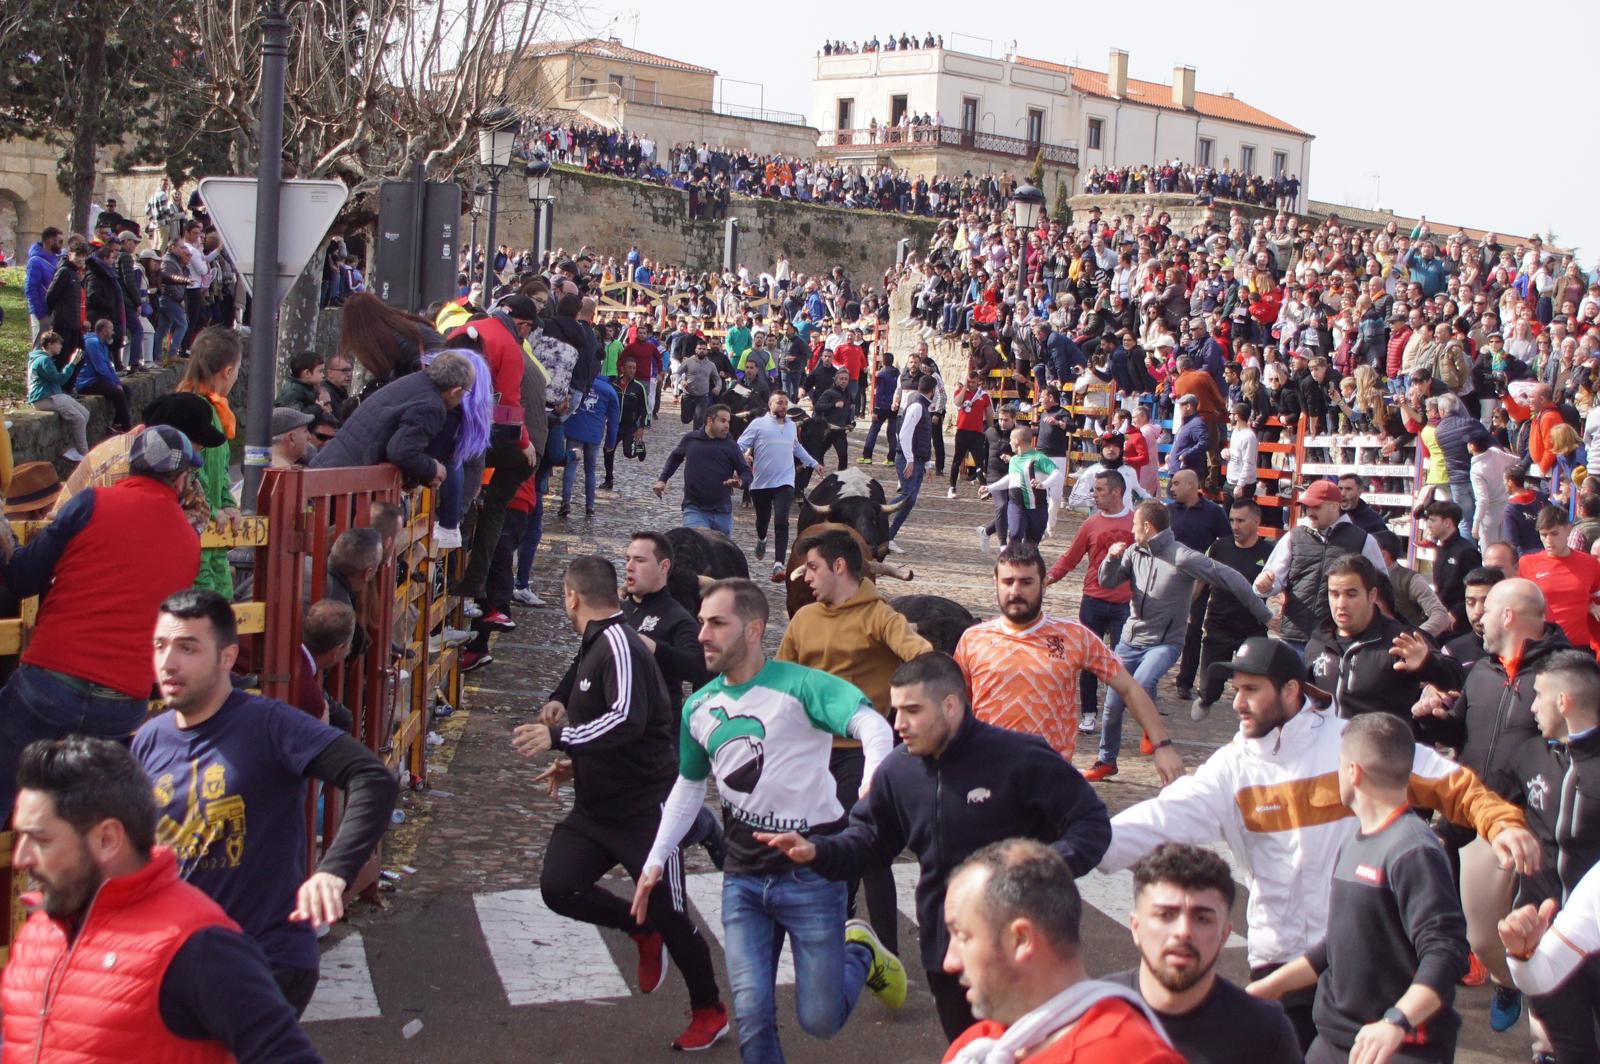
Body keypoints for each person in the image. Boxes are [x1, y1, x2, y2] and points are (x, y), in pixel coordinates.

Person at [1102, 637, 1537, 1051]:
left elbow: (1452, 784)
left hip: (1361, 958)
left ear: (1291, 690)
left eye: (1251, 690)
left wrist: (1502, 825)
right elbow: (1159, 820)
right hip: (1280, 959)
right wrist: (1083, 848)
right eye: (1236, 690)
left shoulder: (1353, 746)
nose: (1237, 703)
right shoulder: (1230, 768)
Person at [759, 652, 1111, 1041]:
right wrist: (818, 851)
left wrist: (1040, 871)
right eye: (895, 712)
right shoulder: (898, 771)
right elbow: (870, 841)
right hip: (948, 952)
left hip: (1026, 948)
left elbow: (1090, 822)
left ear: (950, 705)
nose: (899, 725)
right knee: (969, 1051)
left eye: (912, 710)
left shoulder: (1021, 757)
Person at [631, 579, 906, 1063]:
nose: (702, 636)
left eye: (717, 623)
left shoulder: (800, 686)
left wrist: (873, 777)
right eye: (700, 623)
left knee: (819, 1019)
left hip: (813, 877)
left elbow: (872, 724)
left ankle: (859, 950)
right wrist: (656, 858)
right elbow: (690, 786)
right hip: (743, 879)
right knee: (754, 1016)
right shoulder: (699, 708)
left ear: (754, 629)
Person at [131, 588, 398, 1015]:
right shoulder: (149, 739)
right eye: (160, 646)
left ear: (226, 657)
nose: (168, 662)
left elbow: (371, 777)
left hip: (263, 961)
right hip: (179, 961)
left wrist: (333, 872)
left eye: (187, 648)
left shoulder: (270, 724)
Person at [511, 557, 729, 1052]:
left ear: (572, 596)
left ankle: (710, 1010)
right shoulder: (596, 643)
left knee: (674, 913)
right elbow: (612, 728)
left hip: (646, 811)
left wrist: (559, 738)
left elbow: (627, 720)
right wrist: (575, 764)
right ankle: (638, 928)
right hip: (596, 809)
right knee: (559, 886)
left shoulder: (619, 643)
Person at [3, 737, 322, 1062]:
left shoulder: (197, 944)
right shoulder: (39, 931)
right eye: (20, 837)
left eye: (40, 839)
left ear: (107, 839)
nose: (20, 857)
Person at [0, 425, 202, 821]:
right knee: (82, 821)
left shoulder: (90, 503)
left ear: (131, 465)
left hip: (50, 683)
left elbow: (23, 578)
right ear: (180, 479)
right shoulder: (189, 541)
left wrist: (10, 540)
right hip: (121, 703)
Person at [1246, 714, 1470, 1064]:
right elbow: (1336, 944)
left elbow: (1446, 952)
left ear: (1353, 771)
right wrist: (1271, 987)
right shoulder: (1353, 839)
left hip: (1397, 1049)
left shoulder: (1414, 850)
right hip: (1333, 1042)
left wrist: (1396, 1021)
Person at [779, 527, 933, 954]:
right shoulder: (804, 619)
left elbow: (922, 658)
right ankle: (836, 935)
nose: (804, 576)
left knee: (868, 852)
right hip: (810, 757)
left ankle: (887, 954)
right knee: (821, 849)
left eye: (812, 567)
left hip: (862, 757)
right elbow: (780, 680)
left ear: (839, 566)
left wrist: (900, 712)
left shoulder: (879, 616)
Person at [940, 839, 1183, 1063]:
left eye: (962, 936)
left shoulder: (1130, 1055)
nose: (949, 962)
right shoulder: (975, 1046)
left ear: (1021, 939)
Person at [956, 543, 1183, 781]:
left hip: (1050, 780)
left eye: (1026, 582)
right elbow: (957, 707)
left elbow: (1129, 687)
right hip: (986, 777)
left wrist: (1162, 744)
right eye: (1007, 581)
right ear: (996, 583)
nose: (1015, 591)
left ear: (1044, 584)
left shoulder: (1074, 636)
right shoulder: (973, 640)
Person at [1090, 500, 1272, 781]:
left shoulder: (1183, 557)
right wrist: (1111, 558)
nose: (1131, 530)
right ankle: (1106, 760)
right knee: (1113, 702)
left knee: (1141, 682)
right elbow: (1107, 582)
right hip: (1129, 640)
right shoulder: (1133, 551)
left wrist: (1264, 613)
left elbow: (1231, 577)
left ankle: (1153, 730)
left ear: (1148, 527)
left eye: (1135, 525)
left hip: (1164, 642)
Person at [1106, 844, 1302, 1064]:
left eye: (1202, 919)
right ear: (1136, 927)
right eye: (1166, 915)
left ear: (1224, 935)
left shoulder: (1265, 1032)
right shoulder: (1089, 1015)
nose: (1183, 932)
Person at [1501, 649, 1600, 1062]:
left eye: (1539, 695)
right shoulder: (1529, 755)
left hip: (1592, 935)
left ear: (1564, 702)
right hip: (1539, 932)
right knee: (1560, 1046)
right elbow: (1489, 803)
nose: (1532, 706)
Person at [1304, 554, 1464, 742]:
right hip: (1327, 757)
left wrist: (1427, 664)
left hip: (1383, 759)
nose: (1341, 604)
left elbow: (1458, 679)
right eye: (1334, 594)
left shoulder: (1401, 639)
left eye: (1351, 594)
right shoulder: (1318, 640)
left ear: (1372, 595)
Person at [1046, 469, 1135, 736]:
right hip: (1093, 601)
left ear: (1117, 492)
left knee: (1121, 662)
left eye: (1099, 490)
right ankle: (1088, 712)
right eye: (1093, 490)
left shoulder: (1135, 523)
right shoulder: (1090, 524)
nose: (1093, 495)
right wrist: (1049, 577)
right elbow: (1070, 558)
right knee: (1088, 661)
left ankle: (1114, 712)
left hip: (1125, 605)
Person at [1254, 480, 1387, 655]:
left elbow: (1382, 588)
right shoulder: (1293, 536)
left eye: (1315, 507)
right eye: (1307, 507)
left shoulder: (1363, 540)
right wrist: (1264, 584)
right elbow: (1271, 579)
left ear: (1334, 506)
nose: (1309, 512)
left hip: (1336, 641)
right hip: (1294, 637)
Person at [311, 351, 469, 488]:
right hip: (341, 482)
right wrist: (433, 468)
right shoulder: (432, 406)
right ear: (456, 391)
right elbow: (402, 451)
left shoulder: (415, 382)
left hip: (328, 469)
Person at [1189, 498, 1275, 721]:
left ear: (1256, 521)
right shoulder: (1219, 547)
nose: (1235, 526)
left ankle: (1256, 717)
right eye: (1232, 520)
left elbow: (1282, 584)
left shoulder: (1268, 552)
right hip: (1218, 625)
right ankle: (1207, 698)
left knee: (1258, 678)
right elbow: (1200, 580)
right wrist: (1187, 608)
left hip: (1252, 628)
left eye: (1241, 521)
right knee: (1210, 688)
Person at [175, 328, 244, 599]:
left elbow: (222, 470)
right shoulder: (190, 410)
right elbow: (190, 470)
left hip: (213, 530)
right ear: (227, 371)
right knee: (202, 603)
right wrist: (212, 509)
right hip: (194, 528)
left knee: (221, 599)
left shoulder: (217, 411)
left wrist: (227, 502)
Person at [738, 391, 822, 578]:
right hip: (761, 484)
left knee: (782, 520)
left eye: (785, 403)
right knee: (763, 520)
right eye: (779, 403)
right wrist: (743, 456)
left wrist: (813, 463)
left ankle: (778, 564)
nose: (783, 406)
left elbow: (796, 447)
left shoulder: (792, 426)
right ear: (770, 405)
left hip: (785, 481)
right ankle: (762, 539)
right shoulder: (758, 425)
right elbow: (740, 444)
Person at [654, 404, 751, 534]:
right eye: (722, 421)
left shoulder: (731, 446)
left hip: (722, 510)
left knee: (720, 553)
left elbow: (746, 472)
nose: (727, 425)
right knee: (698, 546)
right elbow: (675, 458)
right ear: (710, 421)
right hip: (694, 508)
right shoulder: (691, 439)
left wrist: (740, 483)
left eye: (728, 421)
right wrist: (663, 479)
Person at [1517, 505, 1600, 654]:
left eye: (1554, 533)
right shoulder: (1527, 563)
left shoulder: (1590, 563)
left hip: (1580, 646)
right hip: (1544, 646)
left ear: (1568, 530)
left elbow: (1595, 592)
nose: (1548, 540)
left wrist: (1591, 605)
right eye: (1543, 534)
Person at [887, 373, 937, 551]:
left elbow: (924, 437)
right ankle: (880, 514)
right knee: (907, 497)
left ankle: (889, 536)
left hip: (917, 459)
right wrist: (909, 460)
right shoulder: (917, 406)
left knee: (910, 500)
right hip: (910, 459)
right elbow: (904, 434)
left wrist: (927, 464)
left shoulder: (921, 405)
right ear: (932, 391)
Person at [559, 373, 620, 518]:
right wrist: (611, 442)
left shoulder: (580, 384)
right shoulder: (609, 390)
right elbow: (613, 420)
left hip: (575, 431)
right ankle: (590, 506)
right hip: (594, 435)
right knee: (590, 471)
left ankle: (565, 502)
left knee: (570, 467)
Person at [27, 330, 90, 462]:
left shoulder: (44, 359)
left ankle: (74, 448)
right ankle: (84, 454)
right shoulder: (44, 360)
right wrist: (72, 364)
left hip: (53, 395)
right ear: (50, 345)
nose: (61, 347)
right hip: (44, 399)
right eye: (58, 344)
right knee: (79, 419)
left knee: (85, 413)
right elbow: (60, 380)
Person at [1422, 500, 1480, 635]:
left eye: (1432, 520)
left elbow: (1475, 589)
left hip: (1459, 626)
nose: (1428, 525)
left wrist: (1455, 614)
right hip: (1439, 618)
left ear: (1447, 523)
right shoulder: (1439, 548)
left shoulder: (1466, 551)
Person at [75, 318, 132, 432]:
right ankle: (126, 428)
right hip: (87, 383)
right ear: (104, 330)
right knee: (118, 393)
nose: (113, 332)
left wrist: (117, 382)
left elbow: (108, 367)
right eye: (111, 329)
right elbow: (101, 368)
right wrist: (115, 385)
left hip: (96, 380)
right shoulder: (93, 343)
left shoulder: (102, 344)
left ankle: (117, 423)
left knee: (126, 390)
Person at [948, 371, 991, 497]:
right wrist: (965, 388)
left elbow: (989, 413)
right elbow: (957, 402)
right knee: (957, 460)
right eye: (969, 381)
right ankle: (952, 487)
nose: (971, 384)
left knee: (979, 461)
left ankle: (983, 488)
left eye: (973, 382)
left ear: (978, 381)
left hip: (977, 433)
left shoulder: (983, 395)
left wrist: (989, 429)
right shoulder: (961, 391)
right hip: (962, 431)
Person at [861, 351, 899, 465]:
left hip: (882, 407)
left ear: (883, 361)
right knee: (891, 433)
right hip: (893, 407)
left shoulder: (881, 374)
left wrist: (875, 410)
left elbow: (879, 393)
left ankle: (867, 456)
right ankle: (891, 458)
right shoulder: (898, 374)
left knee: (873, 431)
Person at [274, 350, 325, 416]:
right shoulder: (293, 391)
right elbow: (296, 416)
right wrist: (317, 408)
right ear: (307, 373)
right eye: (320, 371)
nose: (323, 375)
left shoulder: (308, 387)